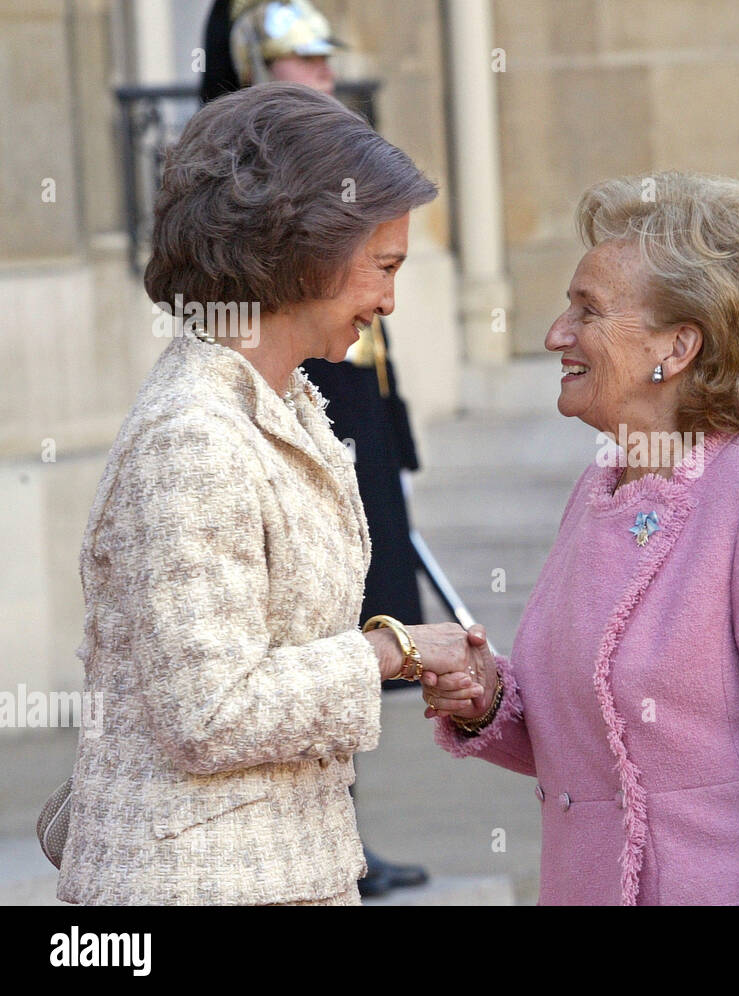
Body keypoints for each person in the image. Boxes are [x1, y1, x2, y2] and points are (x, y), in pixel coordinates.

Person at [56, 84, 486, 905]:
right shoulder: (194, 432)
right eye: (384, 267)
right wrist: (392, 650)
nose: (390, 301)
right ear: (307, 250)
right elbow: (211, 710)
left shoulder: (278, 399)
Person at [425, 171, 739, 905]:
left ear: (676, 345)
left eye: (587, 311)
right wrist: (484, 699)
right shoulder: (602, 484)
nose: (554, 335)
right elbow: (584, 757)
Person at [200, 0, 432, 896]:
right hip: (300, 414)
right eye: (305, 62)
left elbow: (371, 334)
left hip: (351, 418)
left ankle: (342, 833)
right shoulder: (254, 184)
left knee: (353, 614)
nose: (326, 76)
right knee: (313, 632)